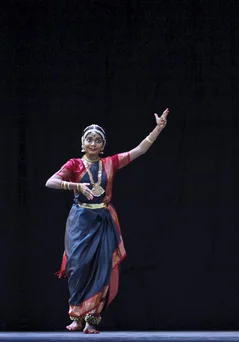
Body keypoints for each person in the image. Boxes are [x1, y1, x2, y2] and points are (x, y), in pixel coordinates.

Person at [45, 109, 169, 334]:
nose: (93, 143)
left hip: (103, 220)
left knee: (101, 269)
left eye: (98, 140)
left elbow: (139, 151)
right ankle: (76, 316)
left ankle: (92, 320)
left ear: (103, 146)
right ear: (83, 143)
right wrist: (75, 186)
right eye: (89, 139)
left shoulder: (110, 163)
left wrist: (157, 129)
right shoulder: (74, 164)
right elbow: (50, 182)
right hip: (79, 220)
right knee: (77, 267)